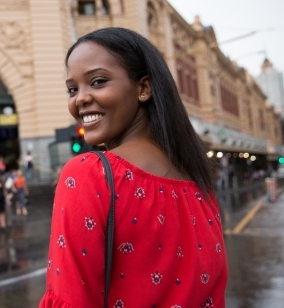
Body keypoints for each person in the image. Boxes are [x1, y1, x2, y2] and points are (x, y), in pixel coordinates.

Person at [39, 28, 227, 307]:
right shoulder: (200, 184)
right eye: (72, 89)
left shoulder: (90, 174)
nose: (80, 98)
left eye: (98, 81)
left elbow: (71, 299)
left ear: (143, 88)